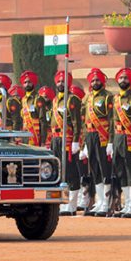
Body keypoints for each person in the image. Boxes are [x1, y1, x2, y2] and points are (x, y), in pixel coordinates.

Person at [107, 68, 131, 218]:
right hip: (117, 139)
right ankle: (127, 204)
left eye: (126, 78)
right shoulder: (115, 99)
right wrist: (110, 142)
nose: (123, 80)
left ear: (130, 81)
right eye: (121, 78)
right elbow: (111, 122)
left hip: (129, 140)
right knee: (121, 172)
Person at [81, 68, 114, 216]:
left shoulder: (108, 97)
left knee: (104, 169)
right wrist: (83, 144)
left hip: (103, 137)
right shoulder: (88, 98)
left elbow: (112, 121)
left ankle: (106, 202)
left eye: (97, 80)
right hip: (90, 136)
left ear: (103, 81)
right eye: (93, 80)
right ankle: (100, 201)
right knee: (94, 169)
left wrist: (111, 142)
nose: (95, 82)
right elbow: (84, 121)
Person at [50, 71, 82, 216]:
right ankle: (63, 202)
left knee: (70, 172)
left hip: (67, 139)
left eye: (63, 81)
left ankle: (72, 204)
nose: (61, 84)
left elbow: (76, 122)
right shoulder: (55, 100)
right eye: (59, 81)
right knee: (59, 171)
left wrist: (76, 140)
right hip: (55, 139)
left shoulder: (72, 99)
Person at [19, 71, 48, 146]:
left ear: (33, 83)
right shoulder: (23, 100)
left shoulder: (38, 99)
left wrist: (43, 140)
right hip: (25, 136)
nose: (27, 84)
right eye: (25, 82)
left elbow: (43, 121)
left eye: (29, 82)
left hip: (35, 136)